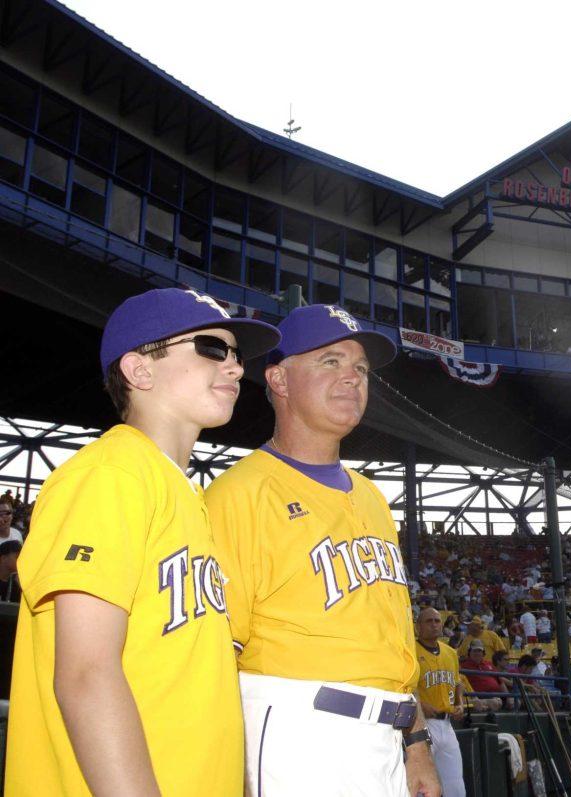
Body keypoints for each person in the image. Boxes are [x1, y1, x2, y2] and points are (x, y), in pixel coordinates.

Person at [6, 287, 279, 796]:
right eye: (211, 349)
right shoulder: (112, 474)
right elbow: (86, 675)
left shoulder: (183, 493)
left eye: (237, 355)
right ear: (139, 370)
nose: (236, 367)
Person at [206, 304, 439, 796]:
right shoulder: (239, 494)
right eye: (330, 361)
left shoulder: (372, 495)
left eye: (360, 368)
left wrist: (417, 744)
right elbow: (212, 656)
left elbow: (392, 641)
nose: (352, 378)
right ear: (280, 380)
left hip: (386, 738)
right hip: (296, 734)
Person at [416, 607, 467, 797]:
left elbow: (457, 682)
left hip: (447, 724)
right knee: (423, 786)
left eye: (437, 621)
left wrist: (460, 703)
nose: (434, 625)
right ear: (418, 627)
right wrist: (419, 705)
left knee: (455, 785)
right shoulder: (410, 651)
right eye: (428, 621)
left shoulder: (450, 652)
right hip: (421, 724)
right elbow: (403, 687)